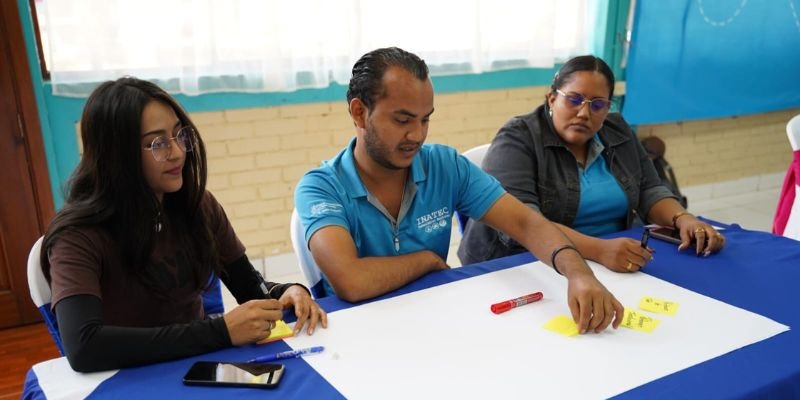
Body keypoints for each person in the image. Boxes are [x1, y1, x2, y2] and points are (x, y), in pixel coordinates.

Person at [295, 47, 623, 334]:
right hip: (356, 335)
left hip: (438, 321)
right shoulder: (321, 187)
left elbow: (526, 223)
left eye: (425, 120)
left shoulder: (445, 165)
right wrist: (425, 260)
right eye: (402, 120)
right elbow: (351, 281)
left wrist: (578, 273)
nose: (416, 135)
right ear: (359, 112)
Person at [41, 77, 327, 372]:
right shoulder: (77, 236)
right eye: (157, 143)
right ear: (116, 154)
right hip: (128, 379)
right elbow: (85, 347)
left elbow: (249, 289)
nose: (177, 152)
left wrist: (285, 292)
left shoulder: (197, 206)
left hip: (197, 366)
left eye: (179, 136)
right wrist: (220, 332)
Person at [458, 55, 725, 272]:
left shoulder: (617, 131)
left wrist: (683, 219)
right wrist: (599, 250)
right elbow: (523, 225)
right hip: (526, 263)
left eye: (598, 105)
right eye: (574, 100)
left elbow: (648, 189)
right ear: (552, 99)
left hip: (614, 258)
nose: (584, 113)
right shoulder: (518, 137)